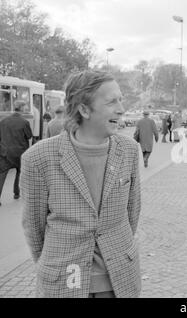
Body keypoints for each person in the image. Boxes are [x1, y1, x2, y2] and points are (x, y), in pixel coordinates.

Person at [20, 70, 142, 298]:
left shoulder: (129, 151)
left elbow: (132, 213)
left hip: (118, 280)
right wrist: (54, 263)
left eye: (120, 99)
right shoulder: (38, 158)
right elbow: (34, 227)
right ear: (84, 110)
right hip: (64, 281)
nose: (121, 108)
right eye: (111, 102)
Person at [0, 100, 33, 206]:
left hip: (5, 153)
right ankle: (16, 193)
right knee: (19, 173)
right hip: (20, 153)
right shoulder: (24, 122)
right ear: (22, 108)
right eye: (25, 107)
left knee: (2, 175)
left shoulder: (3, 121)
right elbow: (29, 136)